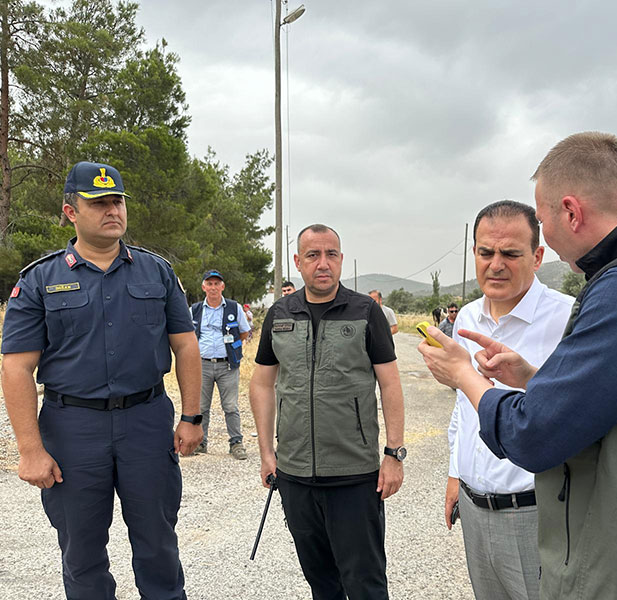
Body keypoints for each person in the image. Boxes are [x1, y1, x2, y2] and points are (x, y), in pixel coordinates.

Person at [418, 132, 617, 599]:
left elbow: (533, 434)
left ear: (570, 212)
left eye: (544, 220)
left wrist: (464, 374)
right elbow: (616, 399)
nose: (496, 263)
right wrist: (532, 378)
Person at [0, 161, 203, 599]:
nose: (113, 210)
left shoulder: (157, 272)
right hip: (73, 430)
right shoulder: (40, 280)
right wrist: (31, 451)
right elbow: (16, 368)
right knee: (82, 554)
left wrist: (192, 415)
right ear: (71, 211)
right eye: (99, 203)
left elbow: (186, 346)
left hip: (146, 423)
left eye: (118, 201)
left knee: (158, 546)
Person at [250, 224, 405, 600]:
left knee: (365, 582)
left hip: (354, 476)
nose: (323, 264)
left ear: (340, 259)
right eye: (314, 255)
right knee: (321, 582)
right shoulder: (280, 314)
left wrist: (394, 454)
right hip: (295, 476)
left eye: (331, 254)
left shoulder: (366, 312)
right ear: (297, 262)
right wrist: (267, 453)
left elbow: (390, 384)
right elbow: (261, 384)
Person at [446, 200, 573, 600]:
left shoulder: (568, 319)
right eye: (486, 252)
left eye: (510, 253)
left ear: (537, 257)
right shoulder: (466, 318)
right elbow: (464, 407)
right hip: (473, 507)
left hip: (537, 511)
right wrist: (455, 474)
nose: (495, 264)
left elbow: (572, 413)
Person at [191, 270, 251, 459]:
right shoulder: (195, 309)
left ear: (223, 287)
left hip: (228, 366)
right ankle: (201, 443)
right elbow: (187, 335)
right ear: (203, 287)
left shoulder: (234, 308)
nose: (213, 287)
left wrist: (233, 349)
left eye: (217, 284)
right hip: (202, 365)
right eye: (209, 284)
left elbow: (244, 332)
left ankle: (236, 443)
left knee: (231, 406)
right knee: (201, 407)